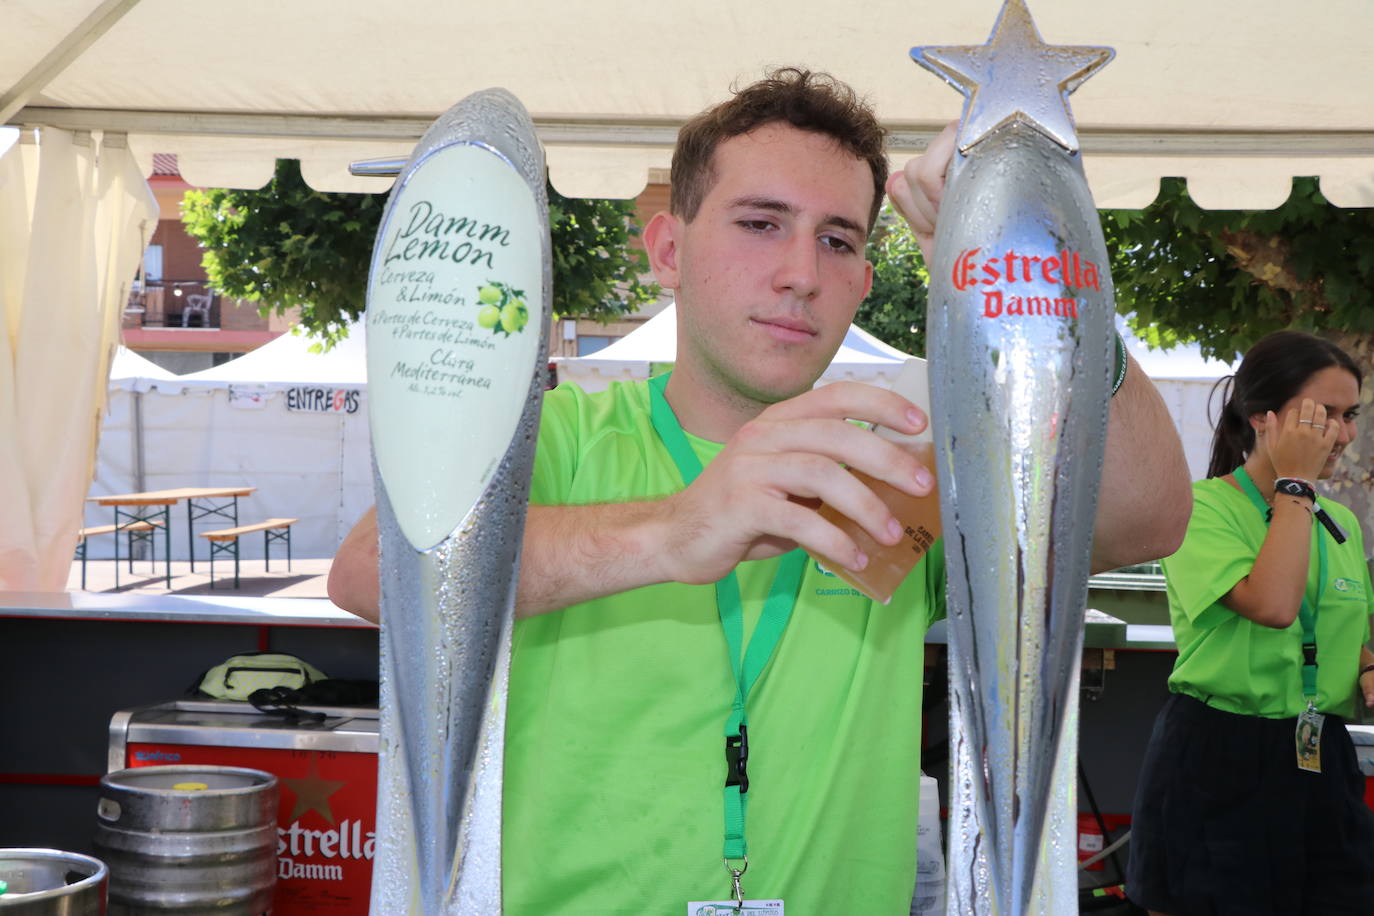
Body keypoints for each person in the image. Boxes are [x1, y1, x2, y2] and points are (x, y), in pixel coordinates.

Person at [330, 68, 1191, 912]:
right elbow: (372, 569)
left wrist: (1031, 281)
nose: (800, 274)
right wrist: (676, 528)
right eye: (759, 223)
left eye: (837, 240)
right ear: (669, 250)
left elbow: (1147, 518)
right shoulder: (559, 438)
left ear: (862, 279)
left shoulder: (893, 466)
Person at [1127, 330, 1374, 916]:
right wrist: (1296, 485)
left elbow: (1353, 626)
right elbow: (1273, 606)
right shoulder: (1202, 508)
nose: (1342, 435)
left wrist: (1367, 666)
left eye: (1350, 415)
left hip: (1319, 754)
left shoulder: (1339, 521)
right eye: (1323, 415)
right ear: (1262, 417)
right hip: (1222, 756)